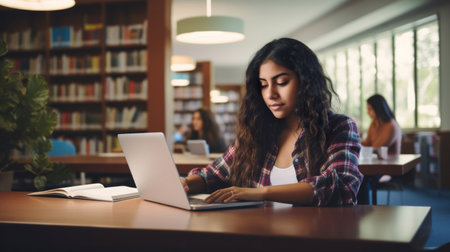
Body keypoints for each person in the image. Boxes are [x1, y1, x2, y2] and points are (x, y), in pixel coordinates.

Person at [181, 38, 363, 206]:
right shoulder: (257, 130)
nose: (270, 94)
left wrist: (261, 193)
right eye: (264, 85)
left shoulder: (338, 127)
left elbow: (340, 186)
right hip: (261, 233)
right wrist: (186, 183)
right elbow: (214, 174)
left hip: (316, 236)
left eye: (282, 82)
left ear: (307, 82)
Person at [358, 94, 402, 204]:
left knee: (362, 178)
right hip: (375, 164)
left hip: (388, 168)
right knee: (357, 174)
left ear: (378, 109)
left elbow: (378, 148)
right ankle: (359, 210)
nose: (368, 113)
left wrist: (363, 147)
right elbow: (366, 144)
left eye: (370, 109)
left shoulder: (392, 126)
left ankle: (363, 210)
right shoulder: (374, 124)